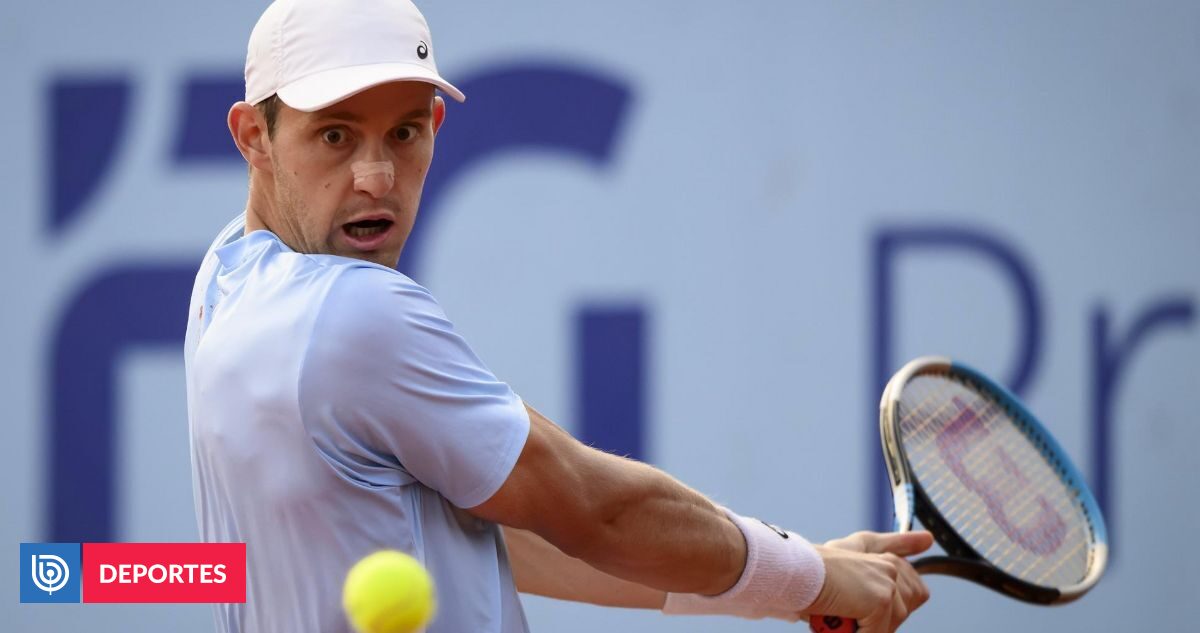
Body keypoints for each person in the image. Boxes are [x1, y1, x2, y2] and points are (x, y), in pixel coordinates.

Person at [183, 0, 934, 631]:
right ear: (254, 137)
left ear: (436, 125)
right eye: (336, 135)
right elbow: (590, 507)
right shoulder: (349, 311)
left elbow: (503, 523)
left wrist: (796, 573)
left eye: (404, 133)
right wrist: (813, 576)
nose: (377, 176)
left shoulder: (223, 281)